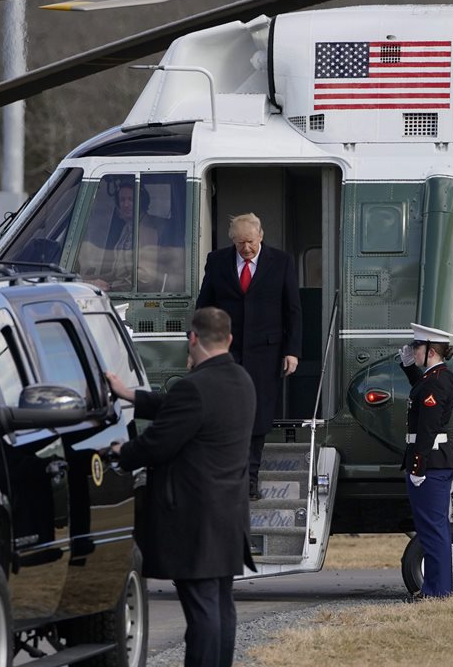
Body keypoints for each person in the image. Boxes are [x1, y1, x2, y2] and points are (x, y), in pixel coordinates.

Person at [107, 307, 255, 667]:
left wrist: (120, 453)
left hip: (195, 519)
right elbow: (183, 409)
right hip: (229, 515)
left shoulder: (194, 388)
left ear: (192, 339)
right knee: (220, 606)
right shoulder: (241, 380)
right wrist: (131, 395)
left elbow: (158, 443)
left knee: (202, 611)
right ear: (229, 339)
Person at [195, 212, 301, 500]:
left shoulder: (281, 262)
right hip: (226, 353)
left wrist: (292, 351)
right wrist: (199, 348)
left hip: (266, 352)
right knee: (226, 414)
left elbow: (292, 310)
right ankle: (227, 477)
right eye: (240, 243)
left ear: (261, 235)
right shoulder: (217, 261)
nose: (246, 249)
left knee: (257, 416)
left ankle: (250, 481)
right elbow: (203, 306)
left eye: (251, 242)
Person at [398, 322, 453, 600]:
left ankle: (438, 591)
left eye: (417, 347)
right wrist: (409, 367)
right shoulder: (436, 377)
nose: (414, 351)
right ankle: (437, 588)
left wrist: (417, 465)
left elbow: (428, 427)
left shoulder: (436, 380)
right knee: (433, 527)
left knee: (432, 529)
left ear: (431, 351)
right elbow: (421, 392)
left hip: (430, 462)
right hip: (434, 461)